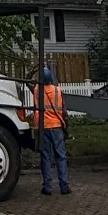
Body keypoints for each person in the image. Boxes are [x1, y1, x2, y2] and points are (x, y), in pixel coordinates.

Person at [32, 66, 70, 195]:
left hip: (44, 127)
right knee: (61, 156)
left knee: (46, 157)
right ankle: (64, 186)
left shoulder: (37, 90)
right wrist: (66, 125)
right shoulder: (58, 91)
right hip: (56, 127)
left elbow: (36, 108)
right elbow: (64, 111)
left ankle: (47, 187)